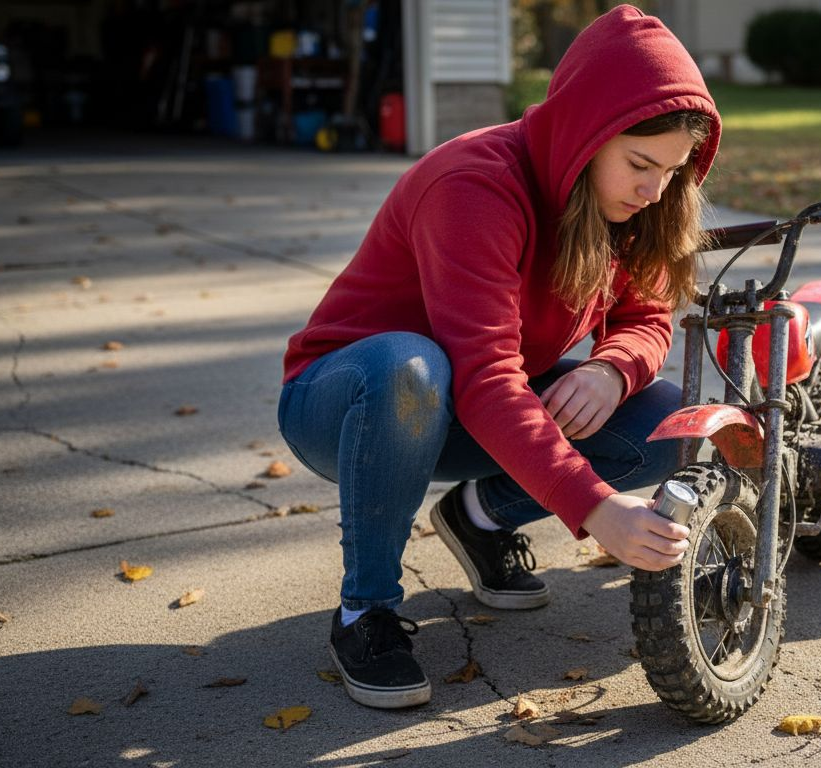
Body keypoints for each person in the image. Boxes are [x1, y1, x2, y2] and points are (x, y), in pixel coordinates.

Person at [278, 5, 721, 709]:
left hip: (464, 407)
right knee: (410, 367)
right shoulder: (475, 185)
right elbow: (484, 377)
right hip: (349, 401)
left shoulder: (630, 209)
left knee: (668, 419)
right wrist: (597, 508)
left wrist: (614, 367)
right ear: (588, 135)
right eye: (640, 165)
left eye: (671, 172)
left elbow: (644, 317)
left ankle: (481, 517)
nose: (653, 191)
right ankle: (366, 612)